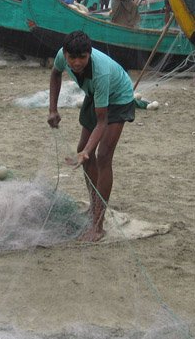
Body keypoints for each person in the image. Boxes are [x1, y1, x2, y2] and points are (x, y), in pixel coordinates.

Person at [48, 31, 136, 242]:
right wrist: (53, 109)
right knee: (83, 149)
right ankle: (93, 206)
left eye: (82, 58)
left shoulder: (101, 72)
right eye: (72, 58)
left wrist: (88, 151)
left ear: (89, 55)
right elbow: (55, 74)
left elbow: (102, 122)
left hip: (118, 99)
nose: (77, 63)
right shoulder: (62, 55)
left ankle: (98, 225)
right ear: (66, 54)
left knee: (103, 155)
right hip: (95, 96)